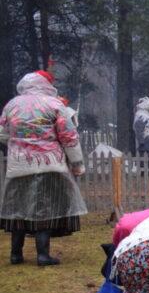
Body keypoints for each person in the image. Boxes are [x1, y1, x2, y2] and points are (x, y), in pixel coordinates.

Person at [1, 71, 88, 266]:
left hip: (18, 166)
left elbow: (2, 133)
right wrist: (77, 163)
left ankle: (16, 254)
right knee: (44, 209)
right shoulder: (53, 104)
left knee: (18, 208)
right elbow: (69, 137)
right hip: (48, 165)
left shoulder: (12, 105)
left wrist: (20, 145)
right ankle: (43, 255)